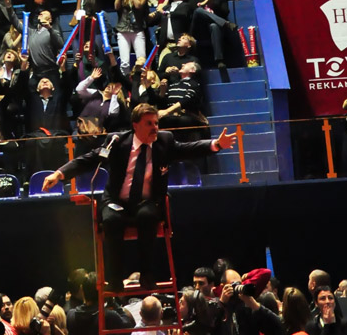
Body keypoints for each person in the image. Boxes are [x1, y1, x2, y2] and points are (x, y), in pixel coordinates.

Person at [42, 103, 236, 289]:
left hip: (147, 201)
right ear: (135, 125)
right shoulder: (117, 141)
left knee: (148, 216)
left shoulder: (165, 141)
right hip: (117, 201)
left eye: (156, 123)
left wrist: (216, 144)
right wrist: (59, 174)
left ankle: (147, 274)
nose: (155, 127)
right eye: (149, 123)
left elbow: (188, 149)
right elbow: (89, 159)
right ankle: (115, 278)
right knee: (111, 220)